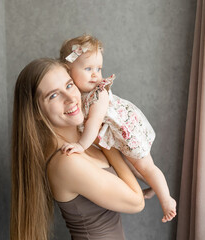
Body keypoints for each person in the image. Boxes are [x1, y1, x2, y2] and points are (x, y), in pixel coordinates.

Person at [10, 58, 145, 240]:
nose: (70, 98)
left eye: (69, 85)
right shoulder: (67, 161)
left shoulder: (85, 145)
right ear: (36, 113)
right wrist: (106, 144)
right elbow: (136, 203)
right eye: (53, 95)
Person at [59, 34, 176, 222]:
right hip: (115, 137)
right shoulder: (77, 94)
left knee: (146, 166)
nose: (96, 74)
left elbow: (93, 124)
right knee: (134, 169)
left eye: (98, 68)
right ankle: (155, 187)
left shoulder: (99, 93)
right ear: (68, 69)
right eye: (88, 68)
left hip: (128, 132)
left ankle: (167, 199)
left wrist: (81, 146)